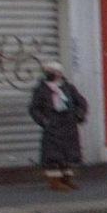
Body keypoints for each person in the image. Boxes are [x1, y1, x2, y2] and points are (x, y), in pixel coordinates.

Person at [28, 61, 87, 192]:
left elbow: (81, 102)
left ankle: (67, 179)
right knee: (53, 154)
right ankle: (54, 181)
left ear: (60, 73)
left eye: (54, 71)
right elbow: (34, 108)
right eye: (49, 71)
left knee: (68, 153)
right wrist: (44, 121)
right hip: (53, 124)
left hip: (68, 124)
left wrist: (79, 115)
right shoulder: (41, 89)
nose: (52, 74)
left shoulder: (68, 87)